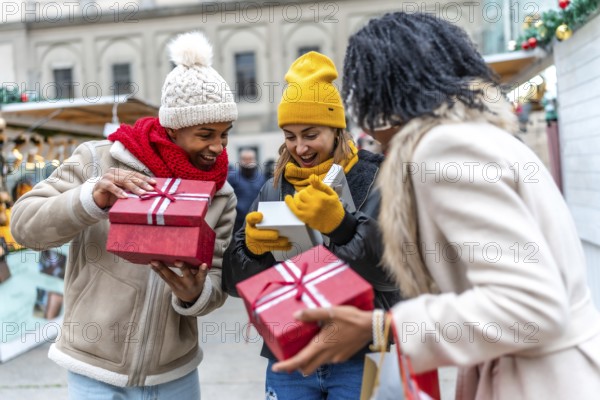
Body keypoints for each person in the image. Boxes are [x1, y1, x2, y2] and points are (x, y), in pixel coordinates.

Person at [272, 12, 600, 399]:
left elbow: (530, 306)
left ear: (388, 93)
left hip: (536, 380)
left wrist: (384, 327)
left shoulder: (443, 148)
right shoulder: (481, 136)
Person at [10, 31, 237, 399]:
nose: (217, 147)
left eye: (225, 134)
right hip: (93, 370)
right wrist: (91, 198)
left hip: (175, 375)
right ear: (173, 128)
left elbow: (215, 279)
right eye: (205, 134)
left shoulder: (221, 195)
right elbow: (24, 225)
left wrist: (196, 293)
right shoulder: (97, 159)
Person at [223, 51, 401, 399]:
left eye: (310, 134)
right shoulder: (274, 186)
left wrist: (342, 226)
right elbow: (232, 282)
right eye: (290, 136)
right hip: (289, 351)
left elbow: (392, 273)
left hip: (359, 352)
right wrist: (252, 251)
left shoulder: (378, 177)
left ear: (336, 129)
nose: (299, 147)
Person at [227, 148, 266, 234]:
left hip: (256, 220)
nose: (248, 162)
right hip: (237, 221)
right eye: (245, 159)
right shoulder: (232, 177)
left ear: (255, 160)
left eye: (250, 159)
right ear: (240, 160)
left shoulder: (261, 177)